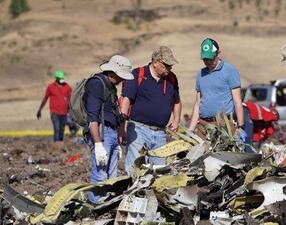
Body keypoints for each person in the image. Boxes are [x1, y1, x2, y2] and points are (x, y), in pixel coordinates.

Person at [120, 46, 181, 175]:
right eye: (166, 65)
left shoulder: (171, 79)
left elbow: (176, 101)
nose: (170, 68)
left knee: (158, 172)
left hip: (160, 133)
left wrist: (176, 120)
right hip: (138, 130)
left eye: (171, 65)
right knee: (135, 169)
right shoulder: (138, 74)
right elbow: (126, 100)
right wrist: (121, 127)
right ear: (155, 62)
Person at [83, 55, 134, 202]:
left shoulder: (111, 86)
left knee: (112, 176)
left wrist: (116, 142)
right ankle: (96, 207)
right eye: (121, 76)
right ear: (113, 71)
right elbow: (92, 118)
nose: (122, 80)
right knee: (100, 176)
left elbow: (112, 114)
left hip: (110, 134)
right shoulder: (96, 84)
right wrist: (98, 145)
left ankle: (108, 206)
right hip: (101, 134)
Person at [188, 38, 246, 142]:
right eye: (205, 59)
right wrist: (190, 130)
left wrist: (241, 127)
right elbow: (198, 104)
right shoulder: (200, 74)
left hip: (224, 126)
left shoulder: (229, 70)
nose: (208, 62)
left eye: (211, 59)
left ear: (218, 54)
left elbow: (237, 101)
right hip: (203, 126)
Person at [36, 70, 72, 142]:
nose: (62, 80)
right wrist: (39, 110)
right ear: (56, 78)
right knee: (57, 129)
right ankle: (56, 145)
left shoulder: (67, 87)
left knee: (62, 130)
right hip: (54, 112)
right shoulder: (51, 87)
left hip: (64, 113)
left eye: (62, 78)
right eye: (60, 78)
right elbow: (45, 99)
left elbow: (70, 100)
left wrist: (71, 113)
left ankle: (60, 145)